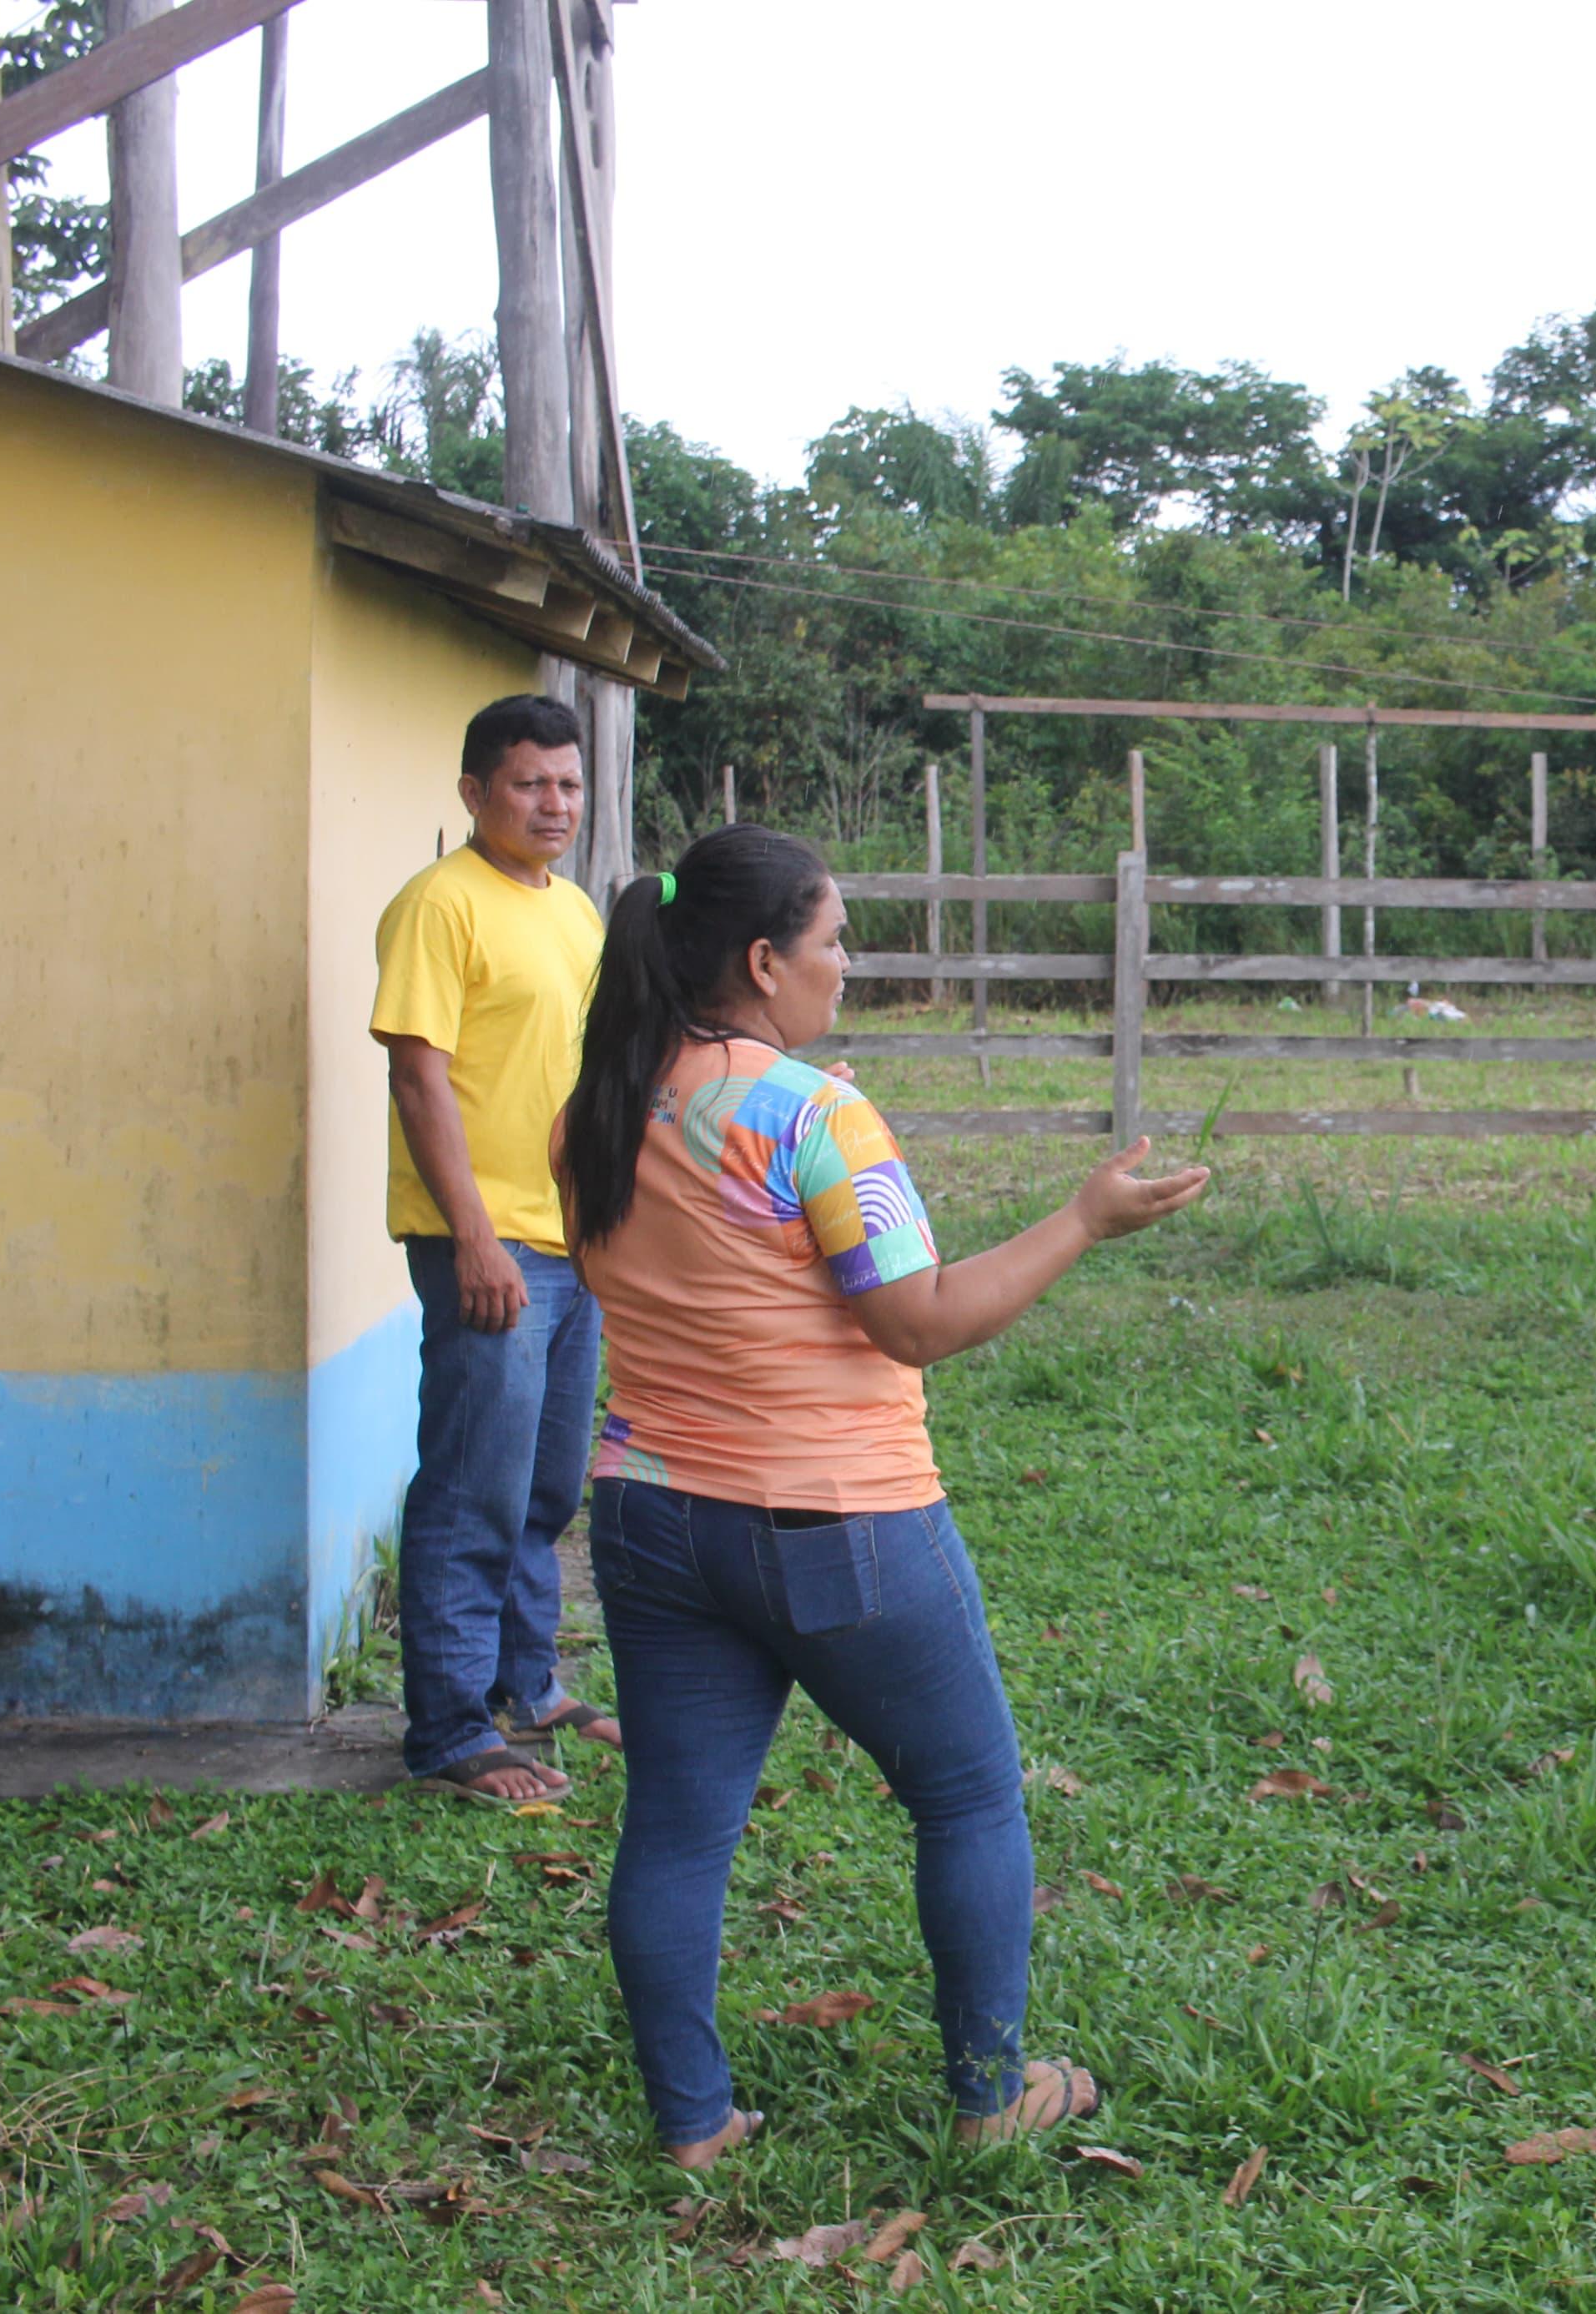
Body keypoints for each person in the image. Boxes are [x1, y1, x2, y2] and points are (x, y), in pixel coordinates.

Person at [557, 824, 1207, 2169]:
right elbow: (917, 1320)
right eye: (833, 940)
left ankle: (693, 2124)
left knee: (678, 1825)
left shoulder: (597, 1113)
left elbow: (688, 1263)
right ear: (760, 959)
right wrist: (1082, 1219)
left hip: (650, 1516)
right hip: (838, 1523)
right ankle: (990, 2096)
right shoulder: (812, 1116)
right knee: (968, 1795)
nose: (846, 965)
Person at [374, 693, 619, 1804]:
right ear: (475, 792)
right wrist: (475, 1237)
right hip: (488, 1245)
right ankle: (451, 1728)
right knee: (474, 1485)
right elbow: (419, 1075)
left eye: (566, 783)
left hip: (573, 1245)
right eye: (529, 783)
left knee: (544, 1487)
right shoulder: (439, 905)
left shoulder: (573, 911)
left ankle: (531, 1680)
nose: (553, 802)